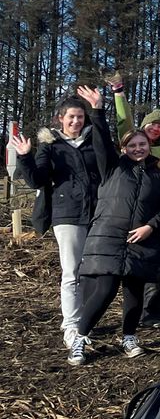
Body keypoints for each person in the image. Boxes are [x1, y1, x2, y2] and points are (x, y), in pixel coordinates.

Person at [64, 87, 160, 366]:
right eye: (133, 145)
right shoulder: (113, 168)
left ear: (149, 147)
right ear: (124, 148)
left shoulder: (159, 176)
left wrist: (150, 226)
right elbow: (101, 140)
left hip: (142, 241)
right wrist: (98, 110)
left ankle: (129, 337)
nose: (138, 148)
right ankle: (80, 338)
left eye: (142, 144)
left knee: (134, 294)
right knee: (104, 290)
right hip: (109, 238)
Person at [14, 93, 102, 350]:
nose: (75, 121)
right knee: (72, 271)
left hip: (95, 212)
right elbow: (37, 180)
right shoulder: (51, 145)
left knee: (90, 272)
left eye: (80, 117)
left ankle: (84, 318)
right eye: (71, 117)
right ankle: (71, 324)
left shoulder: (92, 141)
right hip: (67, 214)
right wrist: (25, 157)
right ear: (60, 119)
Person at [109, 69, 160, 328]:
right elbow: (124, 124)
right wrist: (119, 93)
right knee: (151, 262)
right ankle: (148, 311)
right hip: (146, 215)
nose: (156, 127)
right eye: (152, 123)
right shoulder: (137, 146)